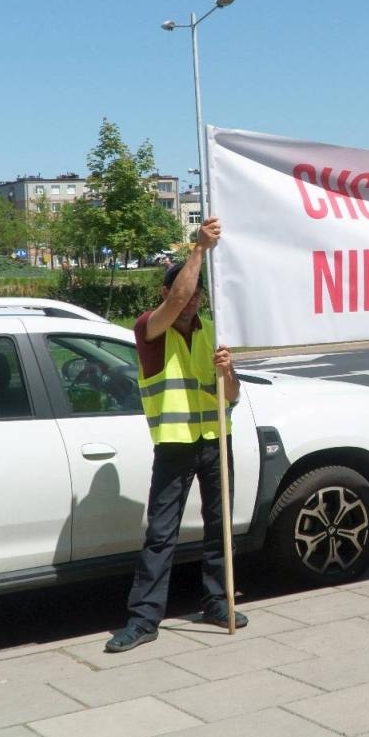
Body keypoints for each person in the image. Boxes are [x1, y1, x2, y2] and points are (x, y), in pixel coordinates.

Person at [107, 217, 244, 652]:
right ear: (165, 295)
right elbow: (182, 291)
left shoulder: (212, 333)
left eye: (197, 295)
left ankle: (217, 602)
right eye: (182, 294)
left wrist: (229, 373)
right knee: (161, 535)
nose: (190, 301)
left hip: (215, 441)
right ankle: (145, 619)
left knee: (220, 528)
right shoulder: (150, 328)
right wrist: (199, 249)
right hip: (174, 446)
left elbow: (232, 395)